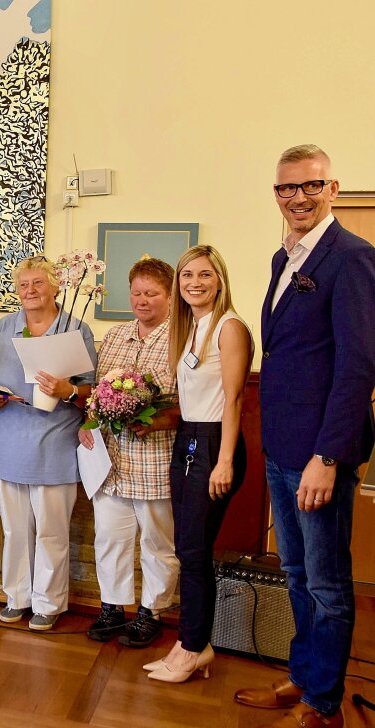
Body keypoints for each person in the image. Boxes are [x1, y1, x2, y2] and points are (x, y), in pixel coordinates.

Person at [234, 145, 375, 728]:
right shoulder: (282, 259)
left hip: (320, 453)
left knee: (326, 584)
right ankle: (303, 676)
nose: (297, 198)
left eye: (309, 186)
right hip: (281, 447)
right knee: (295, 575)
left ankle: (324, 705)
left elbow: (358, 366)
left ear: (332, 188)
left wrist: (328, 455)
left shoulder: (353, 257)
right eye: (286, 189)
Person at [144, 245, 252, 683]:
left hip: (213, 444)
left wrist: (223, 461)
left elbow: (234, 399)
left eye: (204, 275)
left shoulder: (229, 327)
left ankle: (193, 647)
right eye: (187, 275)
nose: (194, 282)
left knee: (193, 550)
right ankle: (191, 642)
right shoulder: (189, 327)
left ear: (219, 279)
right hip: (188, 438)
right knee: (187, 549)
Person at [0, 256, 96, 631]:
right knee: (14, 528)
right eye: (23, 285)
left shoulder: (75, 330)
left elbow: (91, 394)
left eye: (38, 284)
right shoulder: (5, 327)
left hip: (53, 443)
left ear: (55, 287)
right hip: (7, 438)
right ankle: (17, 596)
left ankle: (48, 602)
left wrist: (68, 391)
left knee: (50, 529)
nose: (30, 291)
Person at [79, 258, 180, 647]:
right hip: (111, 460)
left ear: (170, 297)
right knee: (110, 537)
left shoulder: (181, 340)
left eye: (152, 293)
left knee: (156, 542)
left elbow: (193, 404)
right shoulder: (117, 335)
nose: (142, 300)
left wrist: (157, 419)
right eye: (136, 292)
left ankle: (151, 610)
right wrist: (88, 422)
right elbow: (99, 395)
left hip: (155, 459)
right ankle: (113, 606)